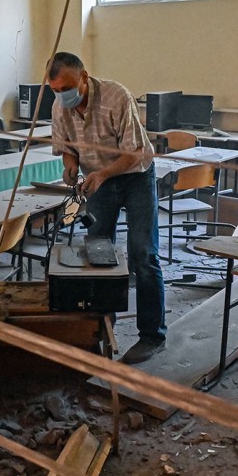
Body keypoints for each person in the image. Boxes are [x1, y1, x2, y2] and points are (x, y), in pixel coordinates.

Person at [47, 52, 166, 364]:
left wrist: (102, 174)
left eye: (67, 88)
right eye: (56, 90)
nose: (62, 96)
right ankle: (100, 327)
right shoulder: (60, 107)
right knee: (98, 252)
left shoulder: (117, 97)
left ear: (84, 77)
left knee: (143, 254)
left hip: (136, 175)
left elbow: (134, 153)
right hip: (99, 179)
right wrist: (70, 166)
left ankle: (153, 335)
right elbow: (68, 149)